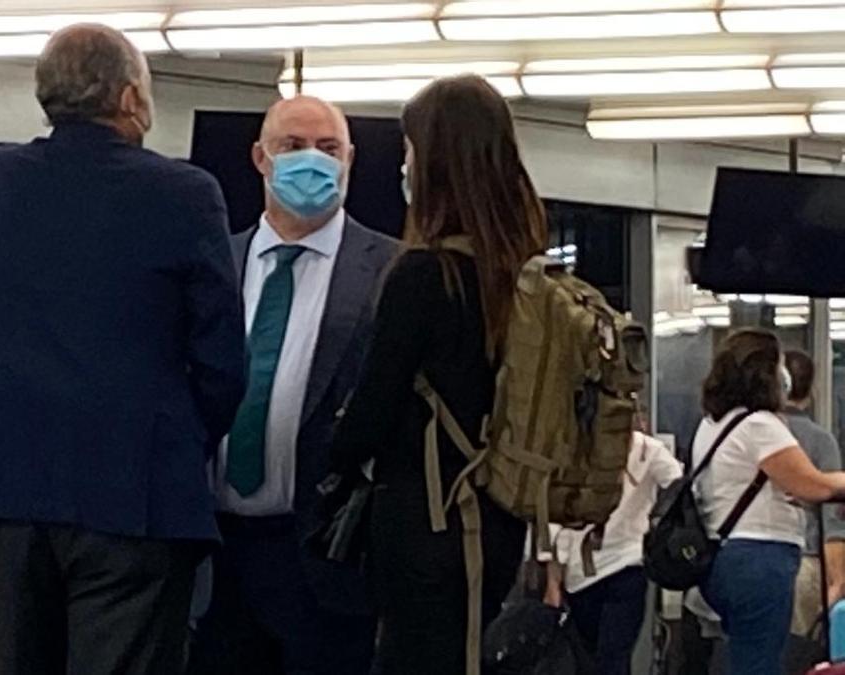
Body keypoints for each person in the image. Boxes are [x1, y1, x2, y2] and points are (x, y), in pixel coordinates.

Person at [0, 24, 246, 675]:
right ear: (131, 98)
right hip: (138, 495)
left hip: (2, 489)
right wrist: (175, 436)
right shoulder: (185, 194)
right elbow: (221, 364)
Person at [329, 74, 545, 673]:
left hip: (422, 520)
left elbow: (369, 417)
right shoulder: (525, 275)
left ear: (436, 162)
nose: (405, 165)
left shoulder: (424, 275)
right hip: (500, 520)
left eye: (410, 151)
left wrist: (332, 448)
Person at [189, 96, 400, 675]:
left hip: (325, 558)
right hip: (216, 556)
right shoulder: (212, 265)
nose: (313, 161)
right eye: (293, 147)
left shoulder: (391, 271)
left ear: (351, 159)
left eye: (329, 149)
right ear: (260, 158)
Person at [695, 330, 845, 675]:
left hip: (724, 557)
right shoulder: (760, 425)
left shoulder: (713, 424)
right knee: (761, 662)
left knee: (744, 656)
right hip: (760, 560)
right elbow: (814, 485)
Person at [553, 428, 683, 675]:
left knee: (584, 659)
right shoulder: (648, 449)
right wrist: (659, 527)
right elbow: (681, 485)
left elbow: (554, 520)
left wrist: (553, 577)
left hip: (580, 573)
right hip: (627, 563)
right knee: (615, 658)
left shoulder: (570, 448)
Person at [783, 350, 845, 668]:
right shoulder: (820, 441)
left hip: (753, 562)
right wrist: (837, 580)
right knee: (802, 655)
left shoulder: (743, 433)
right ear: (811, 390)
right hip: (805, 562)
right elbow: (832, 519)